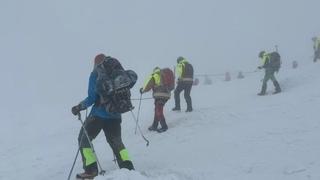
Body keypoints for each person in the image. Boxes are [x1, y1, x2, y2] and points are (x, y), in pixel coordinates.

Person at [71, 54, 134, 179]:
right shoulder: (118, 74)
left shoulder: (96, 74)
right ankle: (128, 168)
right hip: (115, 115)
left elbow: (92, 98)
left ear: (96, 63)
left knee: (84, 139)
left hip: (98, 115)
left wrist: (79, 107)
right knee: (117, 142)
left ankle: (90, 170)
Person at [140, 67, 170, 132]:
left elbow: (149, 85)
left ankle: (164, 126)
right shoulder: (163, 75)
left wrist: (143, 90)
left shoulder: (155, 75)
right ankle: (154, 125)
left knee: (158, 110)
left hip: (160, 95)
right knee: (157, 109)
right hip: (166, 95)